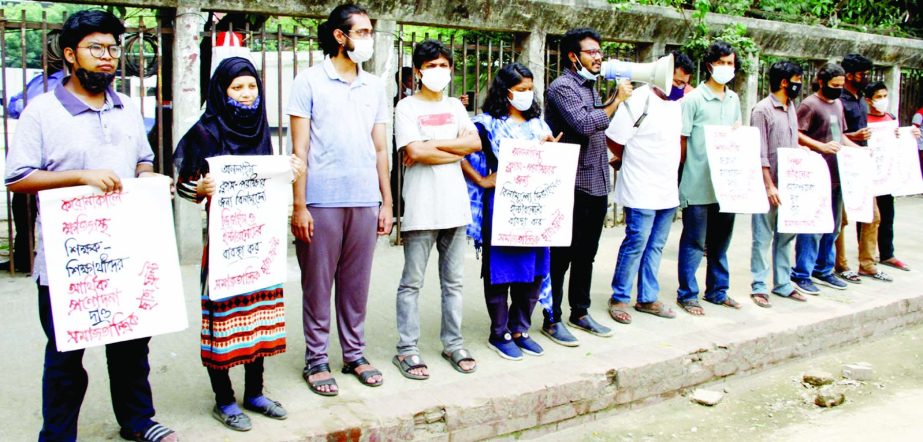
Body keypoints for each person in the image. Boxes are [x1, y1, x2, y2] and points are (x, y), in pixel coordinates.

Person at [3, 10, 178, 442]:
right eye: (96, 48)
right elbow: (18, 177)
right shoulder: (42, 112)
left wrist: (149, 176)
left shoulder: (126, 109)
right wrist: (81, 177)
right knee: (65, 356)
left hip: (125, 252)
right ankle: (58, 435)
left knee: (133, 345)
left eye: (113, 48)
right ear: (69, 54)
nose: (107, 57)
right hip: (68, 262)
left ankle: (138, 421)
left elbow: (141, 160)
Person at [174, 57, 300, 431]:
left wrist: (291, 172)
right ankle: (224, 400)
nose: (246, 95)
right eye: (237, 88)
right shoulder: (207, 132)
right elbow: (182, 186)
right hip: (224, 249)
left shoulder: (260, 129)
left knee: (258, 321)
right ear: (221, 91)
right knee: (224, 324)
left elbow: (269, 184)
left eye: (251, 87)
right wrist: (198, 188)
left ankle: (255, 393)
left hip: (260, 245)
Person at [287, 4, 392, 396]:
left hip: (364, 198)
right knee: (317, 284)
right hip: (321, 201)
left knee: (356, 284)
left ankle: (354, 354)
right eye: (362, 32)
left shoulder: (374, 86)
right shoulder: (309, 81)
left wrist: (386, 202)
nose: (367, 38)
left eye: (369, 32)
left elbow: (380, 148)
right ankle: (316, 358)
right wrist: (299, 206)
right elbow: (298, 148)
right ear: (339, 36)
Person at [393, 39, 480, 379]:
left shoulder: (457, 108)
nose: (438, 71)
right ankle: (407, 349)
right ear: (418, 71)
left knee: (454, 283)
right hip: (421, 206)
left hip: (455, 207)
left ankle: (453, 343)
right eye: (431, 66)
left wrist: (432, 147)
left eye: (444, 65)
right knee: (411, 282)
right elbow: (413, 151)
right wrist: (451, 150)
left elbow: (473, 144)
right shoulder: (407, 107)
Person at [461, 63, 557, 360]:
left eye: (530, 89)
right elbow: (462, 155)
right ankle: (499, 332)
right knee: (501, 271)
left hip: (536, 209)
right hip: (502, 207)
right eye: (521, 90)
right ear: (505, 92)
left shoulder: (539, 125)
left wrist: (553, 150)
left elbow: (551, 164)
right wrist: (480, 179)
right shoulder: (485, 124)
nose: (527, 94)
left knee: (534, 272)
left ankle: (520, 329)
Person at [542, 27, 631, 346]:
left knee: (586, 254)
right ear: (573, 56)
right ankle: (551, 317)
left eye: (599, 51)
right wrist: (617, 100)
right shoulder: (562, 87)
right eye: (591, 51)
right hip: (570, 183)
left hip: (595, 181)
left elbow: (596, 120)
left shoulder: (591, 88)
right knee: (561, 255)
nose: (598, 57)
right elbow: (583, 124)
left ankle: (580, 311)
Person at [603, 54, 686, 324]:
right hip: (640, 186)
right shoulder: (639, 99)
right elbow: (614, 139)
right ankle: (619, 297)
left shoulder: (678, 104)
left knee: (656, 245)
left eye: (683, 83)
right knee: (636, 242)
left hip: (666, 188)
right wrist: (629, 159)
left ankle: (648, 297)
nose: (678, 86)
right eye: (675, 81)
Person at [675, 40, 743, 316]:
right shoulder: (693, 100)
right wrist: (683, 175)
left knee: (720, 242)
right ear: (710, 65)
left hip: (726, 185)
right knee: (693, 241)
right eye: (722, 63)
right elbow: (682, 141)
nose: (727, 68)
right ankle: (687, 295)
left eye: (731, 63)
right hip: (697, 182)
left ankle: (717, 290)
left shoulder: (734, 99)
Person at [790, 63, 862, 296]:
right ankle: (802, 272)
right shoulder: (810, 104)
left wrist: (859, 152)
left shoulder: (839, 104)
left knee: (833, 226)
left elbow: (839, 136)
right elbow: (797, 133)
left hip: (838, 174)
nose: (839, 90)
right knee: (812, 227)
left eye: (841, 86)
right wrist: (820, 146)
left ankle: (824, 268)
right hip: (816, 174)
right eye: (834, 86)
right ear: (821, 82)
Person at [749, 61, 809, 308]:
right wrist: (768, 185)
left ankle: (783, 283)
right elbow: (759, 152)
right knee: (762, 237)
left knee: (786, 236)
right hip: (769, 184)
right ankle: (759, 286)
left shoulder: (791, 107)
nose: (799, 84)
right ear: (785, 82)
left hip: (791, 184)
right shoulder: (762, 110)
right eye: (797, 79)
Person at [833, 54, 892, 283]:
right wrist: (854, 138)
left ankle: (867, 263)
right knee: (843, 218)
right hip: (844, 165)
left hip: (863, 165)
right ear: (849, 75)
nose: (866, 78)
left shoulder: (860, 99)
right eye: (862, 74)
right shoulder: (838, 100)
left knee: (872, 216)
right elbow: (834, 134)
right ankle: (841, 264)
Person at [866, 82, 921, 272]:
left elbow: (897, 141)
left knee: (887, 215)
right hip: (870, 173)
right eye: (878, 97)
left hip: (886, 175)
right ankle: (867, 254)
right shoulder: (864, 120)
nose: (882, 100)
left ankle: (887, 253)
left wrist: (908, 133)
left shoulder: (890, 118)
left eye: (884, 96)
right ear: (868, 100)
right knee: (869, 217)